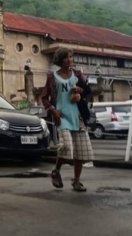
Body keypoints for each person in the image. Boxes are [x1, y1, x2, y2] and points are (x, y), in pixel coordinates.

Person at [40, 48, 94, 192]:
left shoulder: (77, 75)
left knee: (81, 151)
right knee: (66, 147)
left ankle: (76, 181)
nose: (71, 59)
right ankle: (56, 172)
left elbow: (88, 91)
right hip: (62, 117)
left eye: (71, 57)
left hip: (77, 116)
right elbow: (44, 97)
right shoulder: (52, 77)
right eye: (68, 57)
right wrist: (53, 111)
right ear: (61, 59)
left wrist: (80, 92)